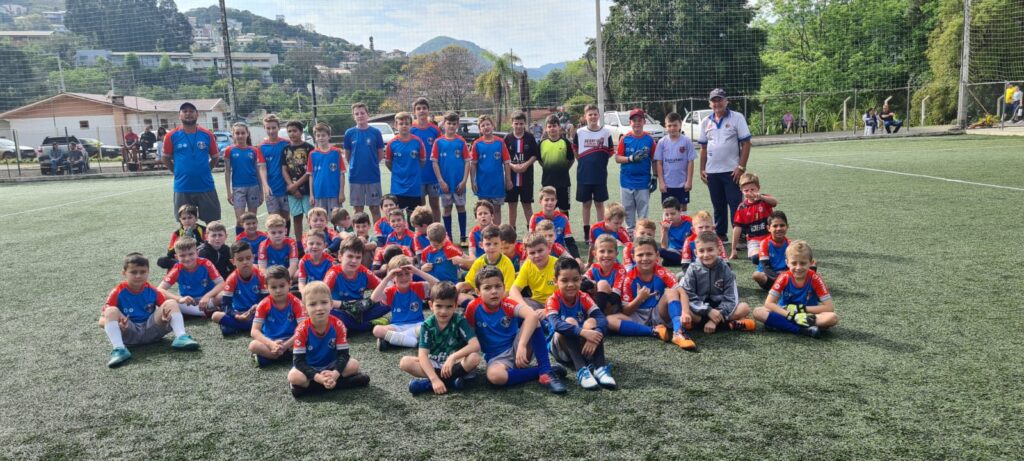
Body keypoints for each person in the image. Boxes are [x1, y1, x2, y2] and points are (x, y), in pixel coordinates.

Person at [465, 267, 567, 394]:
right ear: (478, 291)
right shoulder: (473, 308)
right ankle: (542, 370)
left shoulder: (507, 303)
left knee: (533, 320)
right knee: (495, 377)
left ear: (504, 287)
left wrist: (522, 345)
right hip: (496, 358)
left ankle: (546, 372)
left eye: (498, 286)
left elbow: (532, 315)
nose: (494, 291)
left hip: (518, 349)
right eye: (487, 288)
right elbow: (468, 336)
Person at [101, 253, 200, 368]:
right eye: (133, 272)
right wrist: (118, 325)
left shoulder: (152, 291)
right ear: (124, 273)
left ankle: (181, 337)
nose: (138, 276)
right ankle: (119, 349)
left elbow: (165, 308)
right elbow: (101, 320)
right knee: (111, 310)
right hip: (129, 333)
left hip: (152, 332)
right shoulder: (117, 291)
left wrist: (165, 318)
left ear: (148, 272)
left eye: (142, 272)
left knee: (171, 303)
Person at [605, 236, 694, 351]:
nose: (645, 258)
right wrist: (639, 299)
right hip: (638, 315)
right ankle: (653, 331)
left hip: (659, 313)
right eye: (640, 255)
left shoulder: (662, 272)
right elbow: (626, 311)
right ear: (633, 257)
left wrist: (685, 312)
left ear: (657, 255)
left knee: (671, 291)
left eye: (649, 254)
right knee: (609, 320)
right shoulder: (628, 278)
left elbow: (682, 292)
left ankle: (679, 332)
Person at [288, 281, 370, 398]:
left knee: (353, 365)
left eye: (324, 302)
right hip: (310, 367)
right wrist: (318, 377)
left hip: (332, 365)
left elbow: (344, 355)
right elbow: (298, 361)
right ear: (305, 308)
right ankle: (344, 383)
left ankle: (310, 388)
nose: (319, 308)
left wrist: (335, 373)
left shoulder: (338, 325)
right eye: (313, 304)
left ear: (331, 304)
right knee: (294, 377)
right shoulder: (301, 329)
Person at [545, 257, 615, 390]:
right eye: (564, 280)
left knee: (592, 321)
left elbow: (601, 318)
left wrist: (596, 334)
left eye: (575, 279)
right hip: (561, 349)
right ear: (555, 281)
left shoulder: (584, 297)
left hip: (583, 346)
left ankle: (600, 368)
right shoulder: (553, 299)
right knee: (570, 322)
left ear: (581, 279)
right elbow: (556, 325)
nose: (571, 284)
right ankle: (581, 370)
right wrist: (583, 332)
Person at [403, 282, 481, 395]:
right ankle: (451, 381)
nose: (443, 311)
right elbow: (423, 355)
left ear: (455, 305)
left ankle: (428, 384)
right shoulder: (427, 325)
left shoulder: (460, 321)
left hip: (456, 363)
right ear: (431, 305)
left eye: (449, 306)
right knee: (405, 362)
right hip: (435, 363)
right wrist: (434, 379)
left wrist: (452, 357)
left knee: (474, 357)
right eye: (439, 306)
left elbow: (475, 345)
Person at [698, 89, 752, 246]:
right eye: (714, 101)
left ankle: (740, 236)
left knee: (736, 204)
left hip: (732, 171)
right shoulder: (706, 121)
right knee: (718, 205)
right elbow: (703, 148)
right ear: (710, 103)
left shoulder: (737, 117)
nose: (717, 103)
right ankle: (721, 235)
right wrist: (702, 169)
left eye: (720, 100)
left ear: (726, 101)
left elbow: (746, 143)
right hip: (712, 171)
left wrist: (741, 166)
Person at [752, 241, 838, 338]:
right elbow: (769, 303)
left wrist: (799, 309)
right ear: (787, 263)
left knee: (832, 318)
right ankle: (803, 330)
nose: (798, 267)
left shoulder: (815, 278)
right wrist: (792, 316)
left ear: (811, 263)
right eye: (794, 263)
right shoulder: (784, 277)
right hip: (786, 312)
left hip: (807, 314)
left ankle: (780, 324)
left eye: (803, 263)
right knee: (758, 312)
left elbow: (829, 307)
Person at [678, 231, 755, 336]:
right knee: (682, 308)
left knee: (744, 307)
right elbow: (688, 295)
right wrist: (708, 311)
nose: (706, 255)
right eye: (701, 251)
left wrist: (715, 317)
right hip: (699, 309)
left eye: (710, 250)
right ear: (696, 253)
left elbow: (731, 298)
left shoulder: (725, 269)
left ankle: (703, 325)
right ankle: (730, 325)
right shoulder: (692, 269)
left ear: (719, 250)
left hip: (719, 309)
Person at [163, 102, 221, 223]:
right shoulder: (171, 136)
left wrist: (205, 170)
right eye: (184, 111)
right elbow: (165, 158)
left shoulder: (207, 134)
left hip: (205, 185)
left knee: (213, 224)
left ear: (197, 114)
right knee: (185, 225)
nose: (188, 114)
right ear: (179, 115)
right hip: (183, 187)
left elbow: (215, 157)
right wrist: (176, 171)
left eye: (191, 111)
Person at [370, 255, 439, 350]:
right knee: (377, 330)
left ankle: (394, 341)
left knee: (434, 325)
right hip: (397, 327)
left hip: (418, 325)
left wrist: (417, 271)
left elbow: (438, 285)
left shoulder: (418, 287)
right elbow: (374, 298)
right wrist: (387, 278)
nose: (404, 277)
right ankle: (415, 343)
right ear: (393, 277)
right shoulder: (390, 291)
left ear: (412, 274)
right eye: (399, 275)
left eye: (407, 273)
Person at [323, 236, 389, 332]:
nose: (354, 261)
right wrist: (344, 305)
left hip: (361, 310)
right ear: (340, 256)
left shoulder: (364, 272)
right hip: (341, 311)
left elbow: (386, 289)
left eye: (358, 257)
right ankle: (369, 325)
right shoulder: (333, 273)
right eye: (350, 256)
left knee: (390, 298)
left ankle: (351, 327)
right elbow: (321, 299)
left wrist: (367, 302)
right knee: (326, 311)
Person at [249, 265, 305, 367]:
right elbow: (254, 331)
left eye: (282, 286)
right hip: (271, 342)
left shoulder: (297, 303)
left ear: (289, 284)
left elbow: (303, 328)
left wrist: (286, 345)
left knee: (311, 340)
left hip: (292, 342)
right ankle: (288, 357)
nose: (278, 290)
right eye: (273, 287)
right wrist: (271, 344)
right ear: (266, 287)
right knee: (253, 345)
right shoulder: (263, 304)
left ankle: (268, 358)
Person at [431, 111, 472, 245]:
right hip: (445, 184)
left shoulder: (461, 141)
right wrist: (441, 181)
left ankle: (463, 237)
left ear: (458, 125)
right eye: (449, 123)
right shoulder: (438, 142)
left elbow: (467, 162)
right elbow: (435, 163)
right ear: (444, 124)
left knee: (461, 207)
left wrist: (464, 181)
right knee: (447, 208)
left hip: (459, 183)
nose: (451, 126)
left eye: (454, 124)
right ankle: (448, 237)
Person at [158, 237, 225, 318]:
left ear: (197, 253)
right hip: (189, 302)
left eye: (191, 254)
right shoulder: (176, 269)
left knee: (224, 294)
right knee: (166, 301)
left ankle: (193, 313)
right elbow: (159, 289)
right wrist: (179, 299)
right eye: (182, 256)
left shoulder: (206, 263)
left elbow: (221, 284)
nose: (187, 258)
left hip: (209, 300)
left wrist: (207, 296)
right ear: (176, 257)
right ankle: (205, 312)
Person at [575, 104, 614, 242]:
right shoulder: (579, 132)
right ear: (585, 117)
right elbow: (575, 149)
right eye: (590, 114)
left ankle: (600, 231)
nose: (592, 117)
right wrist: (584, 161)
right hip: (584, 175)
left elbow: (610, 151)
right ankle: (587, 233)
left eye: (595, 114)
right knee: (586, 204)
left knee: (599, 204)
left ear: (598, 116)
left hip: (600, 175)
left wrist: (598, 161)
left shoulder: (606, 132)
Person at [213, 241, 268, 336]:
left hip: (257, 314)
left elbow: (266, 300)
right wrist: (237, 316)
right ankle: (252, 327)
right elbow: (226, 305)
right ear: (233, 262)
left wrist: (256, 308)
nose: (245, 262)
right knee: (215, 316)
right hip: (239, 313)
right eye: (240, 259)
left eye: (248, 258)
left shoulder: (261, 276)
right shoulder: (231, 279)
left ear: (253, 257)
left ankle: (235, 327)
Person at [614, 108, 656, 232]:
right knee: (627, 211)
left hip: (643, 182)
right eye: (634, 120)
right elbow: (617, 158)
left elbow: (654, 159)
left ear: (644, 122)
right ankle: (630, 234)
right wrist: (631, 158)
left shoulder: (649, 140)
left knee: (643, 213)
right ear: (630, 122)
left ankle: (643, 234)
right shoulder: (625, 139)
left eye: (639, 120)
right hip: (626, 181)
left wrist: (655, 177)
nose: (637, 123)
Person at [224, 123, 270, 233]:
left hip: (253, 187)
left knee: (252, 220)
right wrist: (229, 192)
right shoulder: (229, 150)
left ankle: (252, 241)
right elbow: (227, 172)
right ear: (233, 135)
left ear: (247, 134)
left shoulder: (254, 150)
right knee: (240, 220)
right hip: (238, 188)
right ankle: (240, 242)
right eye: (237, 133)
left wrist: (261, 192)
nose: (240, 135)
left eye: (243, 133)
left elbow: (258, 172)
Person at [344, 102, 386, 222]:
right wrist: (356, 165)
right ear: (353, 116)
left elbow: (381, 154)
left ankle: (378, 232)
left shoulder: (375, 132)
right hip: (355, 177)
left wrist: (371, 164)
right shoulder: (349, 133)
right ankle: (359, 233)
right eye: (357, 114)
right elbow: (348, 155)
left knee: (375, 208)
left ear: (368, 114)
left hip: (373, 176)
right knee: (358, 210)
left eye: (362, 113)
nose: (360, 116)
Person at [470, 115, 512, 225]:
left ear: (493, 126)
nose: (486, 127)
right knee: (483, 210)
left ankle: (496, 231)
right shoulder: (477, 144)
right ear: (480, 129)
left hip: (497, 184)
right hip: (482, 184)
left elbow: (506, 162)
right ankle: (485, 232)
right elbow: (473, 164)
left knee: (496, 210)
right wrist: (472, 182)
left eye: (488, 124)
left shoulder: (500, 142)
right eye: (483, 125)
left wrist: (508, 180)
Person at [729, 172, 778, 265]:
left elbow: (775, 202)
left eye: (752, 189)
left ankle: (772, 256)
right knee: (755, 258)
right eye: (746, 190)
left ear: (758, 188)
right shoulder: (742, 207)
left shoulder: (764, 199)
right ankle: (769, 256)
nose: (750, 193)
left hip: (770, 237)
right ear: (741, 190)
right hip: (754, 241)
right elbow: (737, 228)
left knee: (782, 251)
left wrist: (762, 197)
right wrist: (733, 249)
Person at [385, 112, 426, 217]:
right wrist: (398, 172)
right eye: (401, 123)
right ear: (396, 125)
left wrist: (413, 171)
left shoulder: (418, 142)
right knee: (397, 216)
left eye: (407, 123)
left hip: (414, 187)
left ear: (411, 125)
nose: (404, 126)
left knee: (414, 217)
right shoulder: (391, 143)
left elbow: (422, 161)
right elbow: (388, 162)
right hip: (397, 187)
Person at [654, 112, 697, 210]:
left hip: (682, 184)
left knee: (682, 208)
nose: (672, 128)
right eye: (669, 125)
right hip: (667, 184)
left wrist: (689, 181)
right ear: (665, 126)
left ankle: (683, 220)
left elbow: (690, 162)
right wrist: (661, 182)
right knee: (667, 208)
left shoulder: (686, 141)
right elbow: (659, 163)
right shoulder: (662, 142)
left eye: (675, 125)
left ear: (680, 125)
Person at [504, 111, 539, 230]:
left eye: (521, 123)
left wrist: (526, 164)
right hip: (511, 179)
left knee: (527, 205)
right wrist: (512, 166)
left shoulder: (530, 137)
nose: (518, 126)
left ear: (525, 124)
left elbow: (535, 155)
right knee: (512, 206)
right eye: (516, 123)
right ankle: (511, 232)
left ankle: (532, 231)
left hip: (527, 179)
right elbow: (504, 158)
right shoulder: (507, 138)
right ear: (512, 124)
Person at [410, 98, 443, 221]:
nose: (421, 111)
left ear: (428, 110)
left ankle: (436, 229)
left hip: (433, 175)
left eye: (424, 108)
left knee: (435, 205)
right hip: (418, 176)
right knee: (420, 208)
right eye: (418, 109)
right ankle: (422, 230)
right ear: (414, 112)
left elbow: (439, 150)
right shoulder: (411, 129)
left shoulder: (435, 130)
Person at [282, 120, 314, 242]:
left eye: (294, 131)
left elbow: (310, 171)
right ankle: (299, 243)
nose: (292, 133)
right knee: (296, 217)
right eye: (289, 131)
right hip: (292, 191)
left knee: (310, 217)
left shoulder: (309, 148)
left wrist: (296, 185)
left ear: (301, 132)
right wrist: (291, 186)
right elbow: (284, 170)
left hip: (307, 189)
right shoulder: (285, 149)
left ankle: (313, 241)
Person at [509, 232, 558, 311]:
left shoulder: (558, 265)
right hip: (536, 303)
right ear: (527, 254)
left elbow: (567, 294)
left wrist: (547, 310)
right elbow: (514, 289)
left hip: (556, 304)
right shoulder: (528, 265)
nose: (537, 255)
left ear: (548, 249)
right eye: (532, 253)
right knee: (509, 301)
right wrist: (525, 308)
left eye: (540, 251)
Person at [260, 115, 292, 234]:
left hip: (285, 187)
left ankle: (286, 239)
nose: (271, 131)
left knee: (285, 216)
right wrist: (265, 185)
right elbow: (262, 168)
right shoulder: (262, 147)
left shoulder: (287, 144)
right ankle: (275, 241)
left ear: (278, 128)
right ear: (264, 128)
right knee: (274, 218)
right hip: (271, 188)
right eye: (268, 128)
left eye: (273, 127)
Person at [537, 114, 575, 215]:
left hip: (563, 183)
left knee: (564, 210)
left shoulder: (565, 142)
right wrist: (549, 167)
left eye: (554, 126)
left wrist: (563, 169)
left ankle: (564, 226)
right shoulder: (542, 144)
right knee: (548, 209)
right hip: (547, 183)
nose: (552, 128)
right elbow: (540, 161)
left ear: (559, 127)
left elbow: (571, 159)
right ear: (546, 129)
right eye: (549, 126)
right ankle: (548, 226)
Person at [529, 186, 580, 258]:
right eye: (546, 200)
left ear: (556, 201)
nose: (550, 202)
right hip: (541, 254)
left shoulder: (563, 218)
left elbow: (569, 240)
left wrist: (577, 258)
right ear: (540, 201)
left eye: (552, 200)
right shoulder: (535, 218)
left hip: (559, 253)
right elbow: (531, 240)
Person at [463, 225, 516, 294]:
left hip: (500, 297)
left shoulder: (507, 264)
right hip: (483, 296)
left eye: (495, 244)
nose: (492, 247)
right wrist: (460, 286)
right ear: (481, 245)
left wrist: (492, 298)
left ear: (501, 244)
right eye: (488, 244)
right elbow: (469, 283)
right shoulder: (479, 262)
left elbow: (508, 291)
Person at [308, 122, 346, 216]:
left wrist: (341, 192)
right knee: (320, 220)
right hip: (318, 194)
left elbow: (341, 174)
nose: (321, 138)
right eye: (318, 135)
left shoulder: (336, 152)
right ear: (315, 137)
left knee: (336, 219)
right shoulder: (312, 154)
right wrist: (311, 195)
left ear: (329, 136)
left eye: (323, 135)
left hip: (334, 193)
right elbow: (311, 176)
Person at [585, 234, 627, 316]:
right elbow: (583, 283)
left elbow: (615, 297)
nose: (606, 255)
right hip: (598, 303)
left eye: (610, 251)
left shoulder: (620, 270)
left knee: (602, 284)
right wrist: (593, 285)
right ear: (595, 254)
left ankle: (599, 317)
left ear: (616, 253)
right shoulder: (594, 267)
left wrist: (595, 287)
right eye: (602, 251)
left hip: (614, 306)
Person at [157, 204, 207, 270]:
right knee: (162, 261)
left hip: (197, 257)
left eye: (190, 217)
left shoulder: (204, 230)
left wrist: (194, 236)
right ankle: (183, 266)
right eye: (184, 218)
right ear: (180, 220)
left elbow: (206, 246)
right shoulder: (177, 233)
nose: (187, 220)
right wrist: (183, 238)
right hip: (182, 258)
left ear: (196, 218)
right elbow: (170, 253)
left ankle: (186, 267)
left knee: (205, 254)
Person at [752, 210, 792, 291]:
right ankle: (783, 287)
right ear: (768, 228)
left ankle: (781, 288)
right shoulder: (765, 243)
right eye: (775, 226)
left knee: (812, 264)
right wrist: (780, 281)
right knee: (756, 275)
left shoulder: (790, 244)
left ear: (787, 227)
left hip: (784, 275)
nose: (779, 228)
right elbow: (766, 267)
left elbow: (792, 265)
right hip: (770, 276)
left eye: (782, 225)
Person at [257, 214, 299, 279]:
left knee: (299, 272)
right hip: (271, 275)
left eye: (280, 232)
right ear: (267, 234)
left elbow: (293, 266)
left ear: (285, 231)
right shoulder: (263, 245)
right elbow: (262, 268)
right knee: (255, 270)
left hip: (287, 273)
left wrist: (285, 279)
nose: (277, 235)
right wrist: (271, 280)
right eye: (273, 233)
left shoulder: (291, 243)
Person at [659, 197, 693, 267]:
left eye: (673, 214)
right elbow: (664, 247)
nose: (670, 217)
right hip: (673, 252)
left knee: (665, 261)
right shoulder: (665, 224)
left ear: (680, 210)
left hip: (687, 252)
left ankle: (680, 261)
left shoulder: (690, 222)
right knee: (659, 251)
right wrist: (665, 231)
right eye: (667, 214)